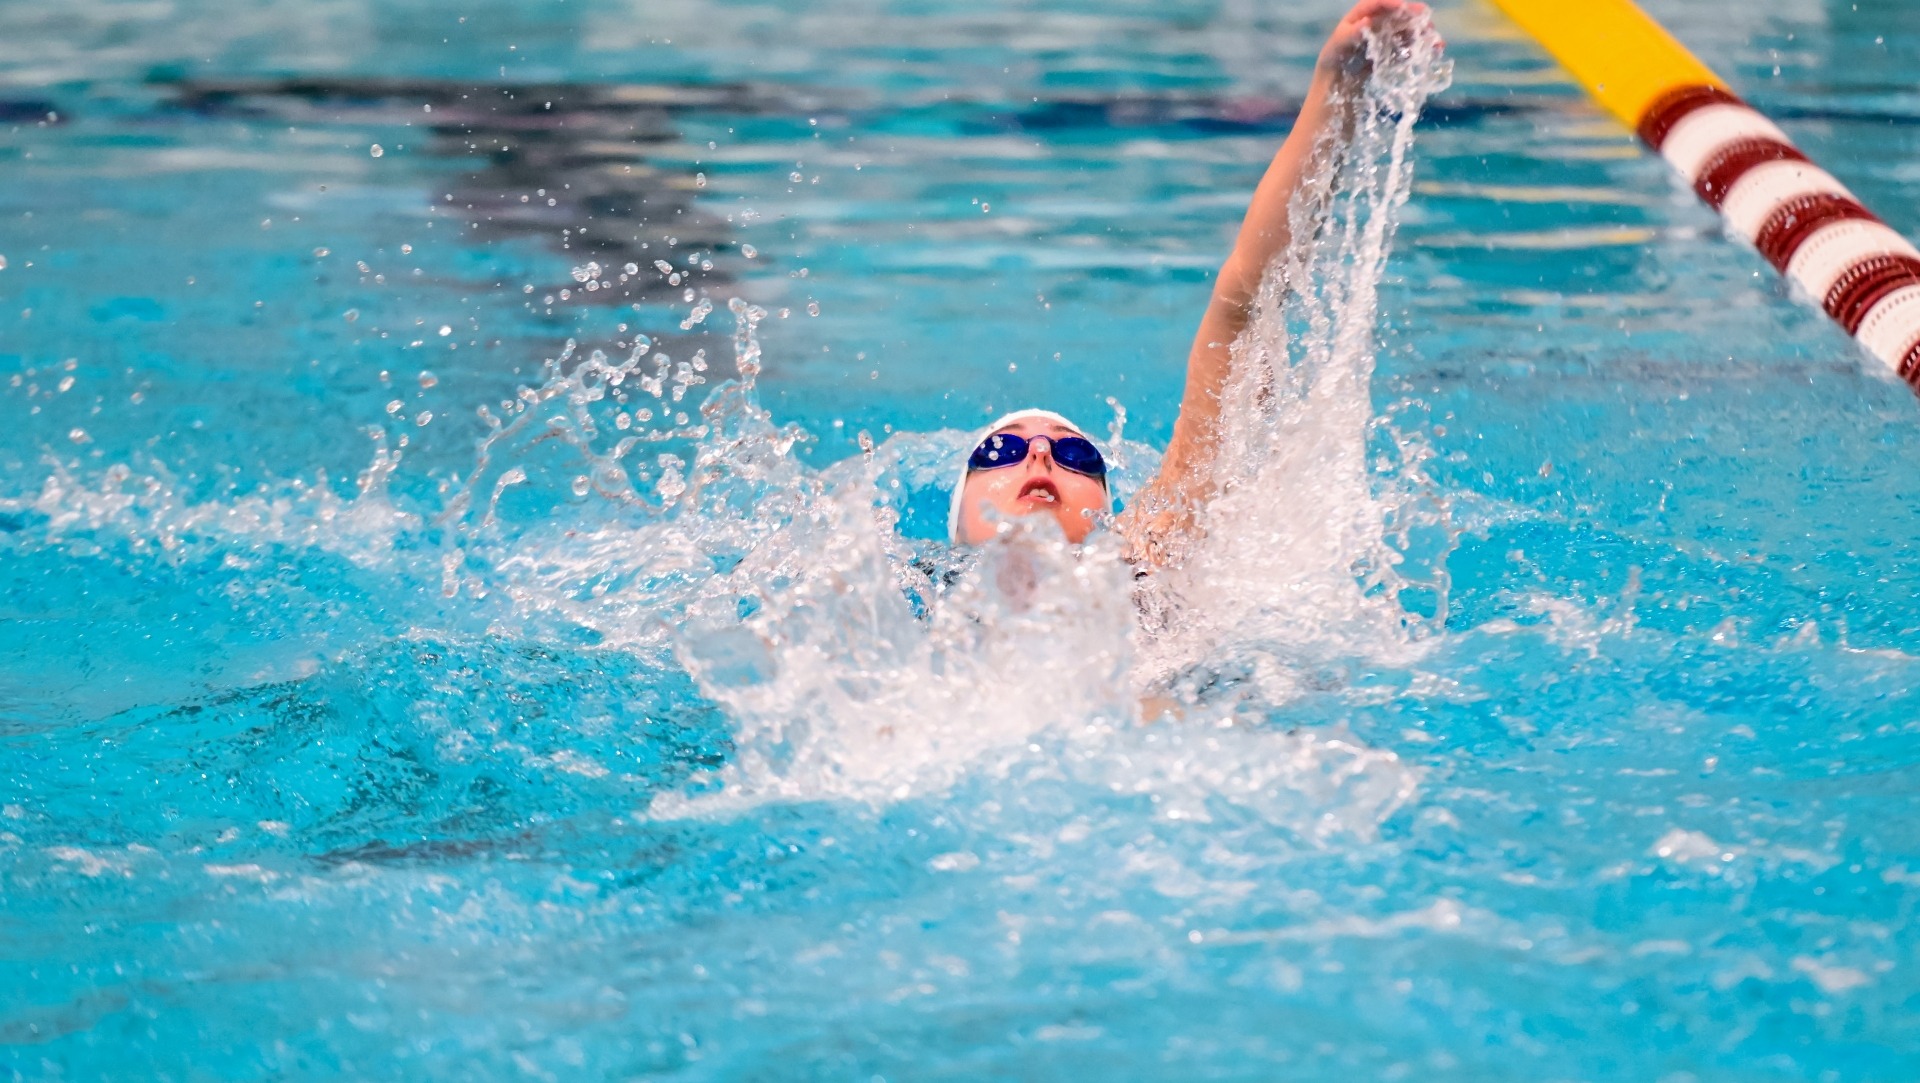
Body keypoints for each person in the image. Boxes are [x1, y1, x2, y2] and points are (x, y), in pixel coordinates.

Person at [947, 0, 1433, 566]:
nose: (1039, 458)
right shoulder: (890, 618)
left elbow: (1246, 302)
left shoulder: (1145, 568)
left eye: (1077, 455)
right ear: (957, 520)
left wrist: (1338, 88)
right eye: (1000, 449)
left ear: (1112, 515)